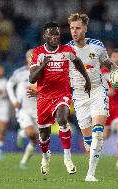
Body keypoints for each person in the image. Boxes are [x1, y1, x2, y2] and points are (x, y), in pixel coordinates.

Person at [67, 13, 118, 181]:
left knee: (98, 134)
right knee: (89, 140)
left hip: (98, 91)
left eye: (77, 28)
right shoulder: (66, 50)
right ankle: (88, 143)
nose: (74, 32)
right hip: (79, 96)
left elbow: (108, 64)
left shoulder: (97, 46)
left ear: (85, 28)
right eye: (71, 28)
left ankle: (90, 174)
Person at [29, 22, 91, 176]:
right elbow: (31, 79)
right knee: (44, 135)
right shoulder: (38, 53)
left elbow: (78, 63)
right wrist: (43, 65)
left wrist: (87, 79)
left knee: (63, 119)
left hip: (62, 94)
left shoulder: (67, 51)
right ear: (45, 36)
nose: (55, 37)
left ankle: (67, 158)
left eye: (57, 34)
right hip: (43, 97)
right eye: (51, 34)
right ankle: (45, 157)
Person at [6, 49, 39, 169]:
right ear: (27, 58)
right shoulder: (20, 72)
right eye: (31, 56)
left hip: (38, 109)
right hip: (23, 109)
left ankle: (23, 162)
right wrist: (14, 100)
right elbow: (9, 84)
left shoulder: (43, 74)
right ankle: (24, 132)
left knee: (36, 139)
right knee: (31, 133)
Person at [101, 49, 118, 169]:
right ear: (110, 58)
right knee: (105, 135)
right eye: (115, 56)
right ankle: (89, 144)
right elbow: (96, 87)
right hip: (106, 107)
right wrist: (107, 91)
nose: (117, 58)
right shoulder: (103, 72)